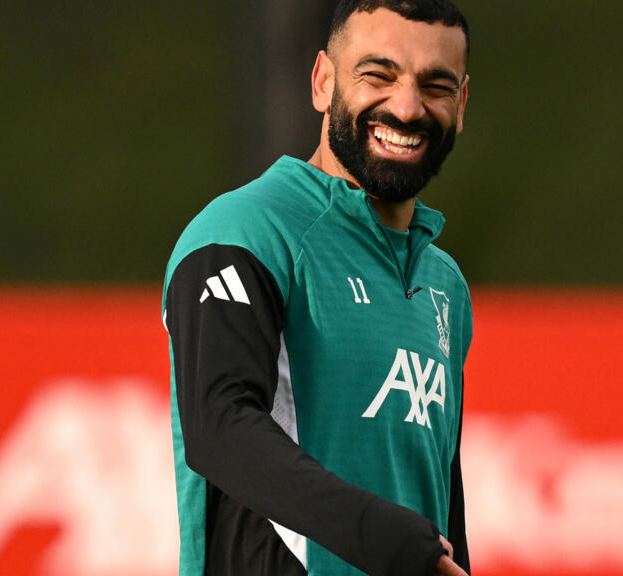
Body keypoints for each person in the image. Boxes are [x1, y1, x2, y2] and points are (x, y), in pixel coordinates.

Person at [162, 1, 472, 574]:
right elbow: (219, 427)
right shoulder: (245, 230)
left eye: (436, 86)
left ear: (461, 105)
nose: (407, 108)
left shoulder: (444, 285)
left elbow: (440, 509)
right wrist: (386, 539)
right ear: (323, 81)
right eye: (378, 75)